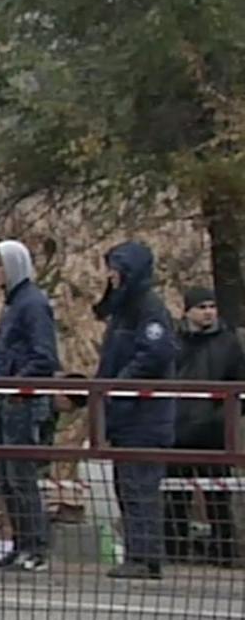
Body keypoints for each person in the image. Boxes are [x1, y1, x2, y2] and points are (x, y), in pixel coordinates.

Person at [93, 243, 177, 580]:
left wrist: (119, 383)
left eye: (116, 268)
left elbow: (156, 353)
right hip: (126, 416)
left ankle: (145, 556)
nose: (110, 275)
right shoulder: (123, 312)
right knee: (127, 487)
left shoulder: (149, 309)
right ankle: (138, 553)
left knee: (140, 488)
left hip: (146, 416)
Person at [0, 239, 60, 570]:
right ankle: (21, 542)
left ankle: (36, 546)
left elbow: (44, 356)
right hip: (6, 402)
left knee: (21, 476)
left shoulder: (32, 304)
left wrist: (15, 384)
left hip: (23, 403)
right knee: (5, 477)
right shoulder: (13, 305)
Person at [163, 286, 241, 565]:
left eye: (211, 306)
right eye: (202, 307)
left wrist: (224, 416)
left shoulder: (229, 343)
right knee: (175, 494)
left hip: (213, 430)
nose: (208, 312)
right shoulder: (173, 341)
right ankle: (174, 549)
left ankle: (224, 550)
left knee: (218, 494)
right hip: (178, 427)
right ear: (188, 311)